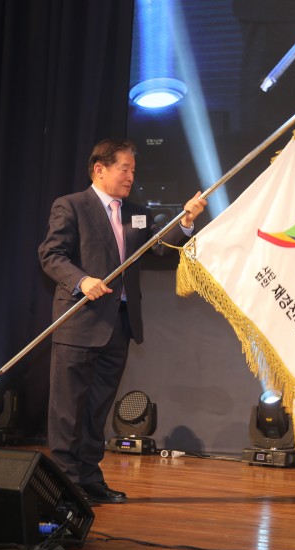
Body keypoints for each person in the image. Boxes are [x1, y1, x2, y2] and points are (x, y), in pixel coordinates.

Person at [38, 138, 206, 504]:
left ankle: (89, 477)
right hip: (79, 323)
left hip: (119, 325)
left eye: (133, 170)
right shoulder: (71, 205)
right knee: (68, 410)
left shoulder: (135, 212)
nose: (131, 176)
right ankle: (65, 484)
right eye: (124, 169)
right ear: (100, 169)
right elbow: (51, 255)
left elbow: (159, 247)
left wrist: (186, 220)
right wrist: (82, 280)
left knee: (97, 408)